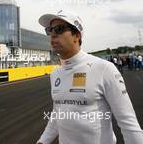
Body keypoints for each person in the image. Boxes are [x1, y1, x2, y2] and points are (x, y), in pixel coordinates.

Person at [37, 10, 143, 144]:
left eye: (59, 29)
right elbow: (58, 113)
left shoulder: (104, 68)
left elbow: (128, 123)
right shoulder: (55, 74)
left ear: (77, 35)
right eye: (49, 30)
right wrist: (43, 141)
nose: (52, 35)